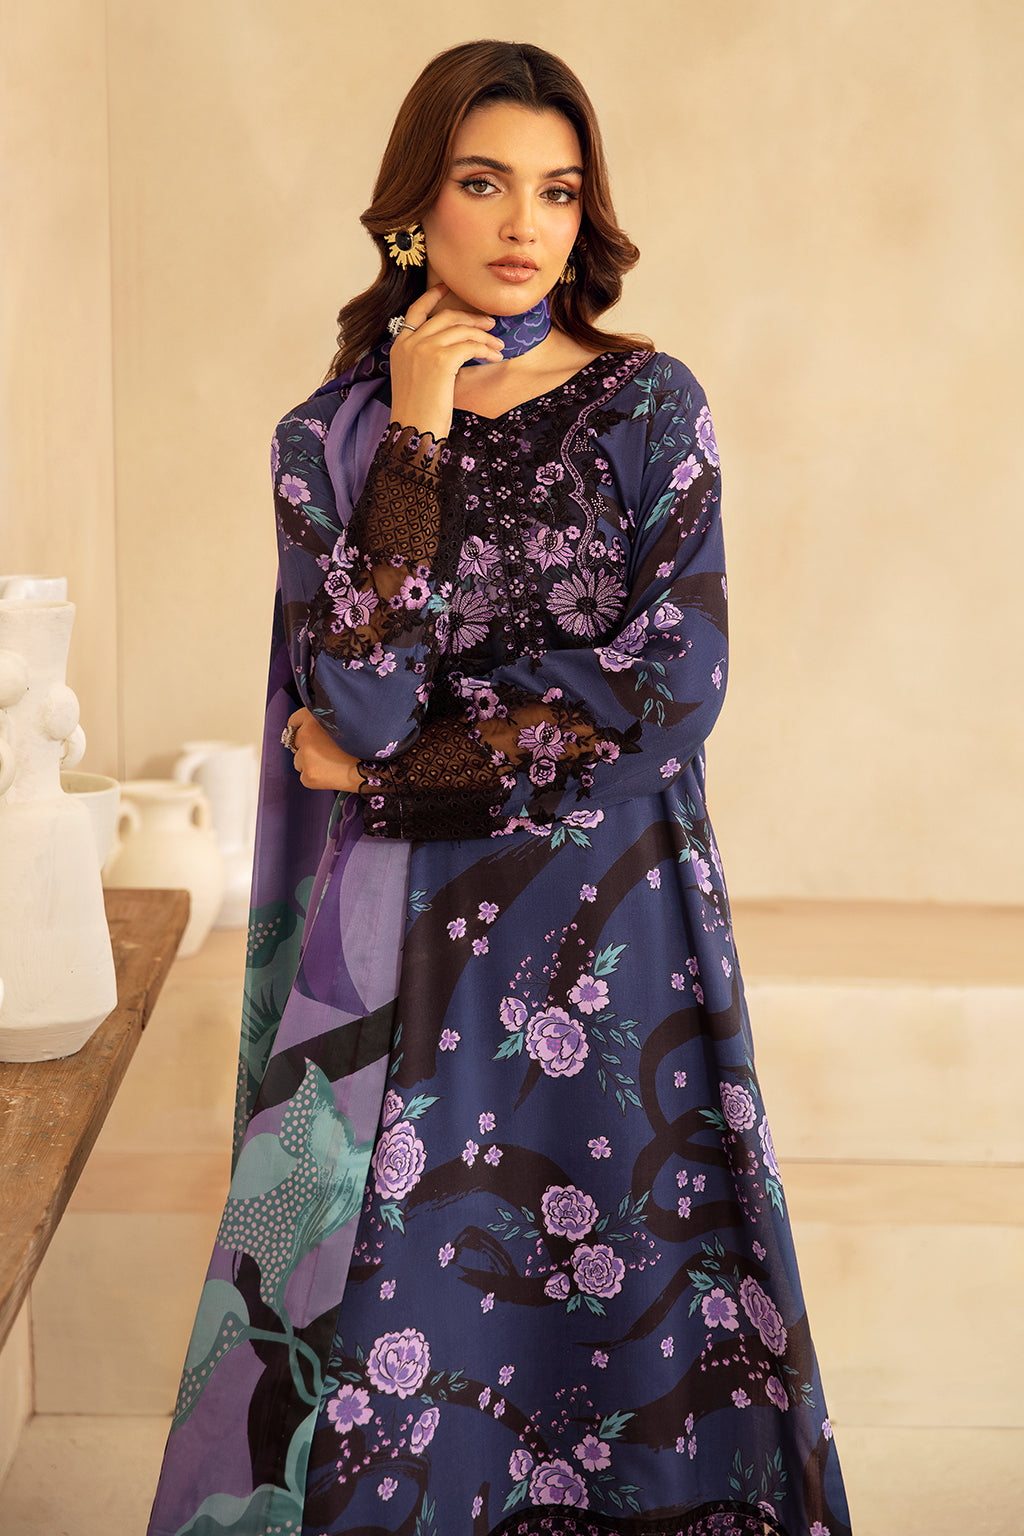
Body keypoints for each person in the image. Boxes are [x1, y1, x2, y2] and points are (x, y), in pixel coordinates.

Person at [148, 39, 851, 1536]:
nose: (526, 224)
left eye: (558, 189)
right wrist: (416, 427)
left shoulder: (648, 405)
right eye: (485, 184)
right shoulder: (330, 440)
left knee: (643, 1305)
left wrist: (399, 775)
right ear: (416, 209)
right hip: (419, 947)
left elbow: (674, 688)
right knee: (407, 1334)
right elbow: (356, 694)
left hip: (620, 930)